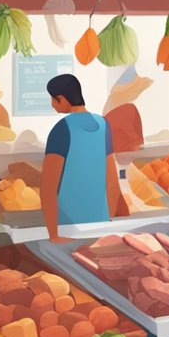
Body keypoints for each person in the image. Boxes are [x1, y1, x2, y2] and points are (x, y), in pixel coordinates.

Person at [41, 75, 122, 243]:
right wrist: (111, 221)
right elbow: (112, 178)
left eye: (53, 99)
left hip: (68, 227)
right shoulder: (103, 124)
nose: (51, 104)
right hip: (100, 223)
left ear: (62, 99)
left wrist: (53, 235)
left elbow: (47, 187)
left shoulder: (62, 129)